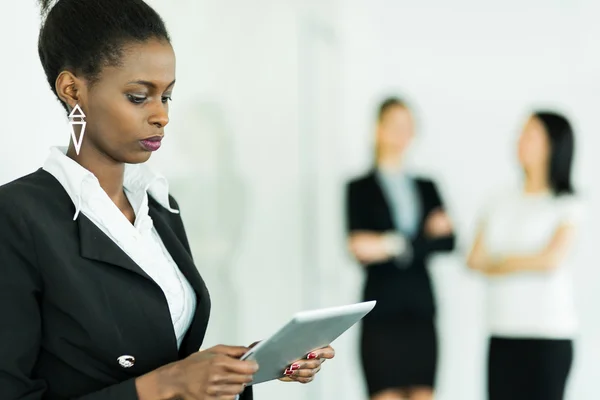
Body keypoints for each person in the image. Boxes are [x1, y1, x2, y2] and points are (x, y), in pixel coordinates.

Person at [0, 0, 334, 399]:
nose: (162, 116)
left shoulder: (159, 208)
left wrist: (246, 366)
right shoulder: (17, 217)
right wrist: (165, 385)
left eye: (167, 97)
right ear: (73, 90)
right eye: (140, 97)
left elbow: (162, 359)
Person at [345, 97, 455, 400]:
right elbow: (358, 247)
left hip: (420, 311)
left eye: (408, 127)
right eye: (394, 125)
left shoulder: (427, 186)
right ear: (378, 129)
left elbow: (448, 242)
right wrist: (418, 240)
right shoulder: (359, 188)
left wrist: (388, 244)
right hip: (381, 311)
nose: (401, 134)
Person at [467, 111, 582, 400]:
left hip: (548, 334)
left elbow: (551, 260)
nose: (520, 140)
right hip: (502, 331)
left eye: (530, 134)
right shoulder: (497, 200)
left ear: (552, 145)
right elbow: (474, 259)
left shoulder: (567, 203)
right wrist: (526, 260)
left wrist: (500, 261)